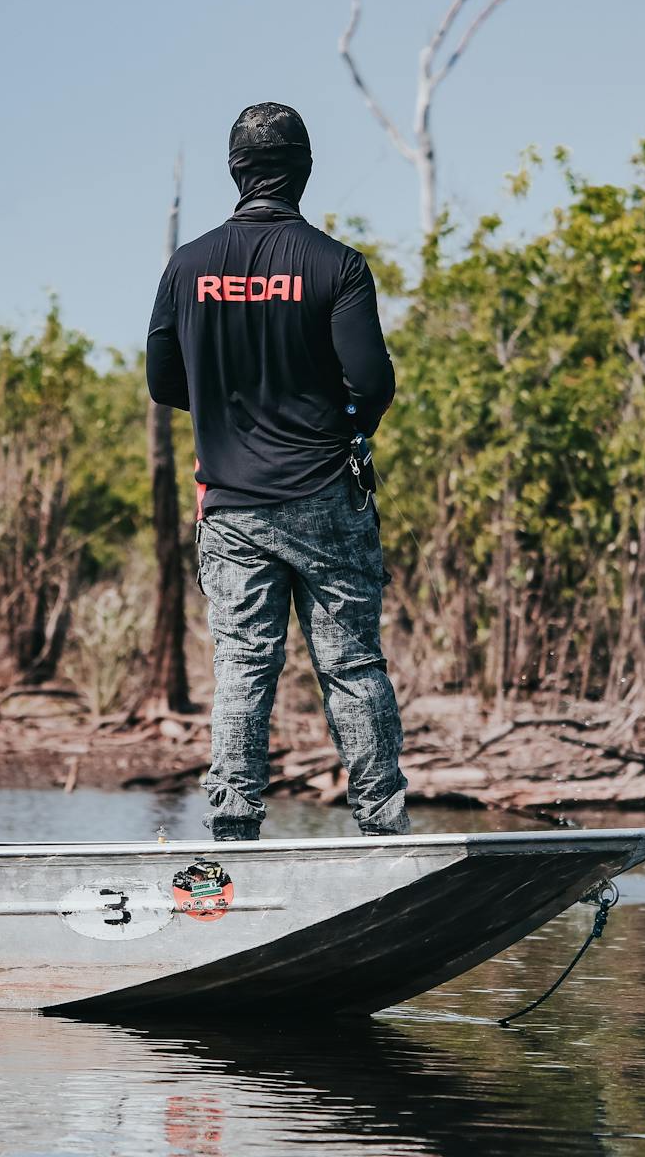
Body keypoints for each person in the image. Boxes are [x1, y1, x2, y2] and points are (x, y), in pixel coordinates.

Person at [146, 102, 408, 842]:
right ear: (303, 172)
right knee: (352, 666)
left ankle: (232, 832)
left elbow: (165, 383)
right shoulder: (337, 264)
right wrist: (341, 430)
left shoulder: (187, 266)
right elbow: (373, 383)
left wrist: (232, 409)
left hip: (229, 506)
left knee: (243, 668)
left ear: (236, 172)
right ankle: (384, 832)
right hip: (326, 496)